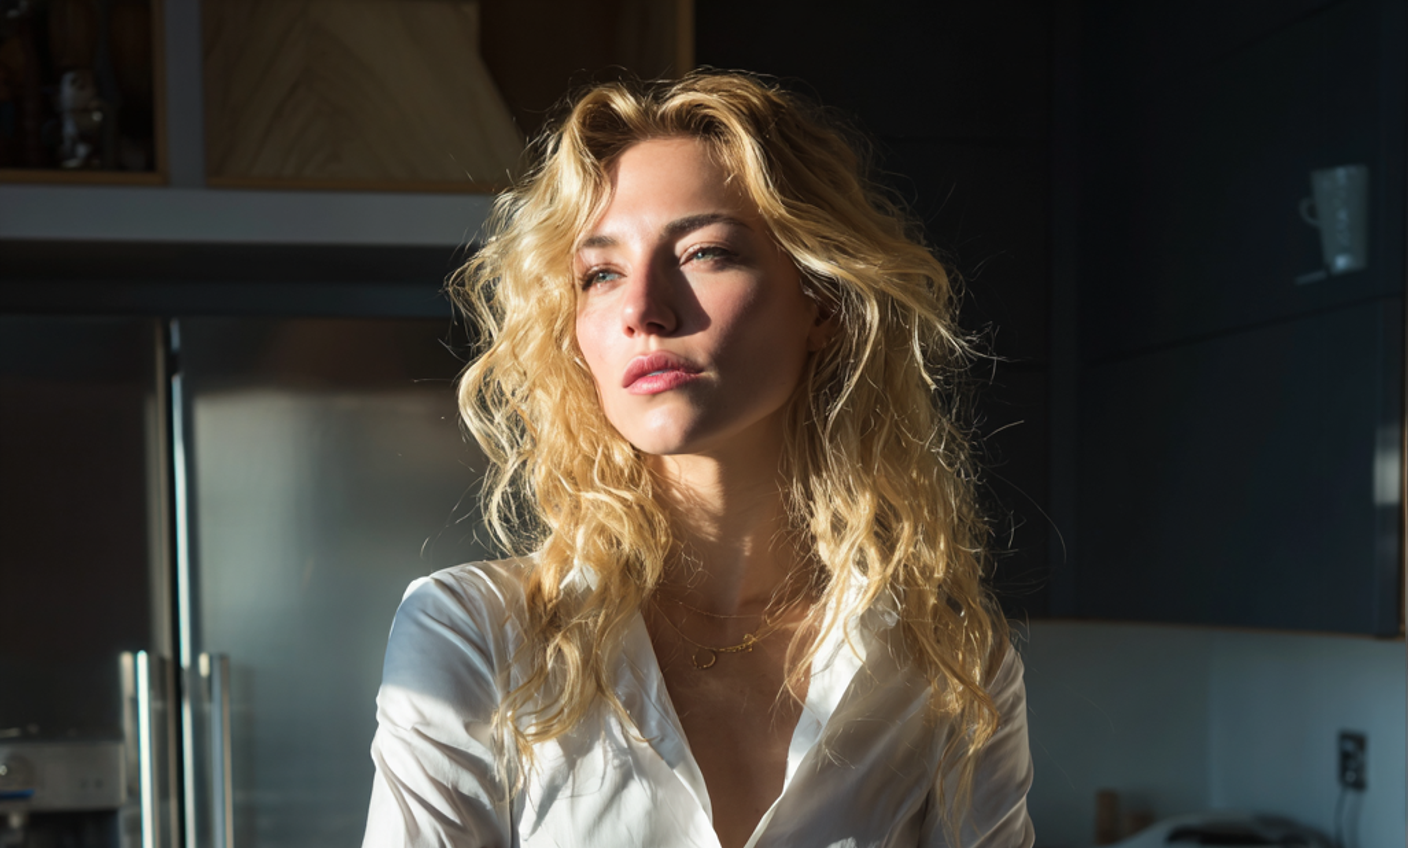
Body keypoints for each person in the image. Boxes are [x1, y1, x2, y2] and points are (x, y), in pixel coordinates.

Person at [362, 71, 1035, 848]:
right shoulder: (477, 636)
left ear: (823, 301)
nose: (643, 309)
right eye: (601, 273)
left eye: (705, 252)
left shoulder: (950, 664)